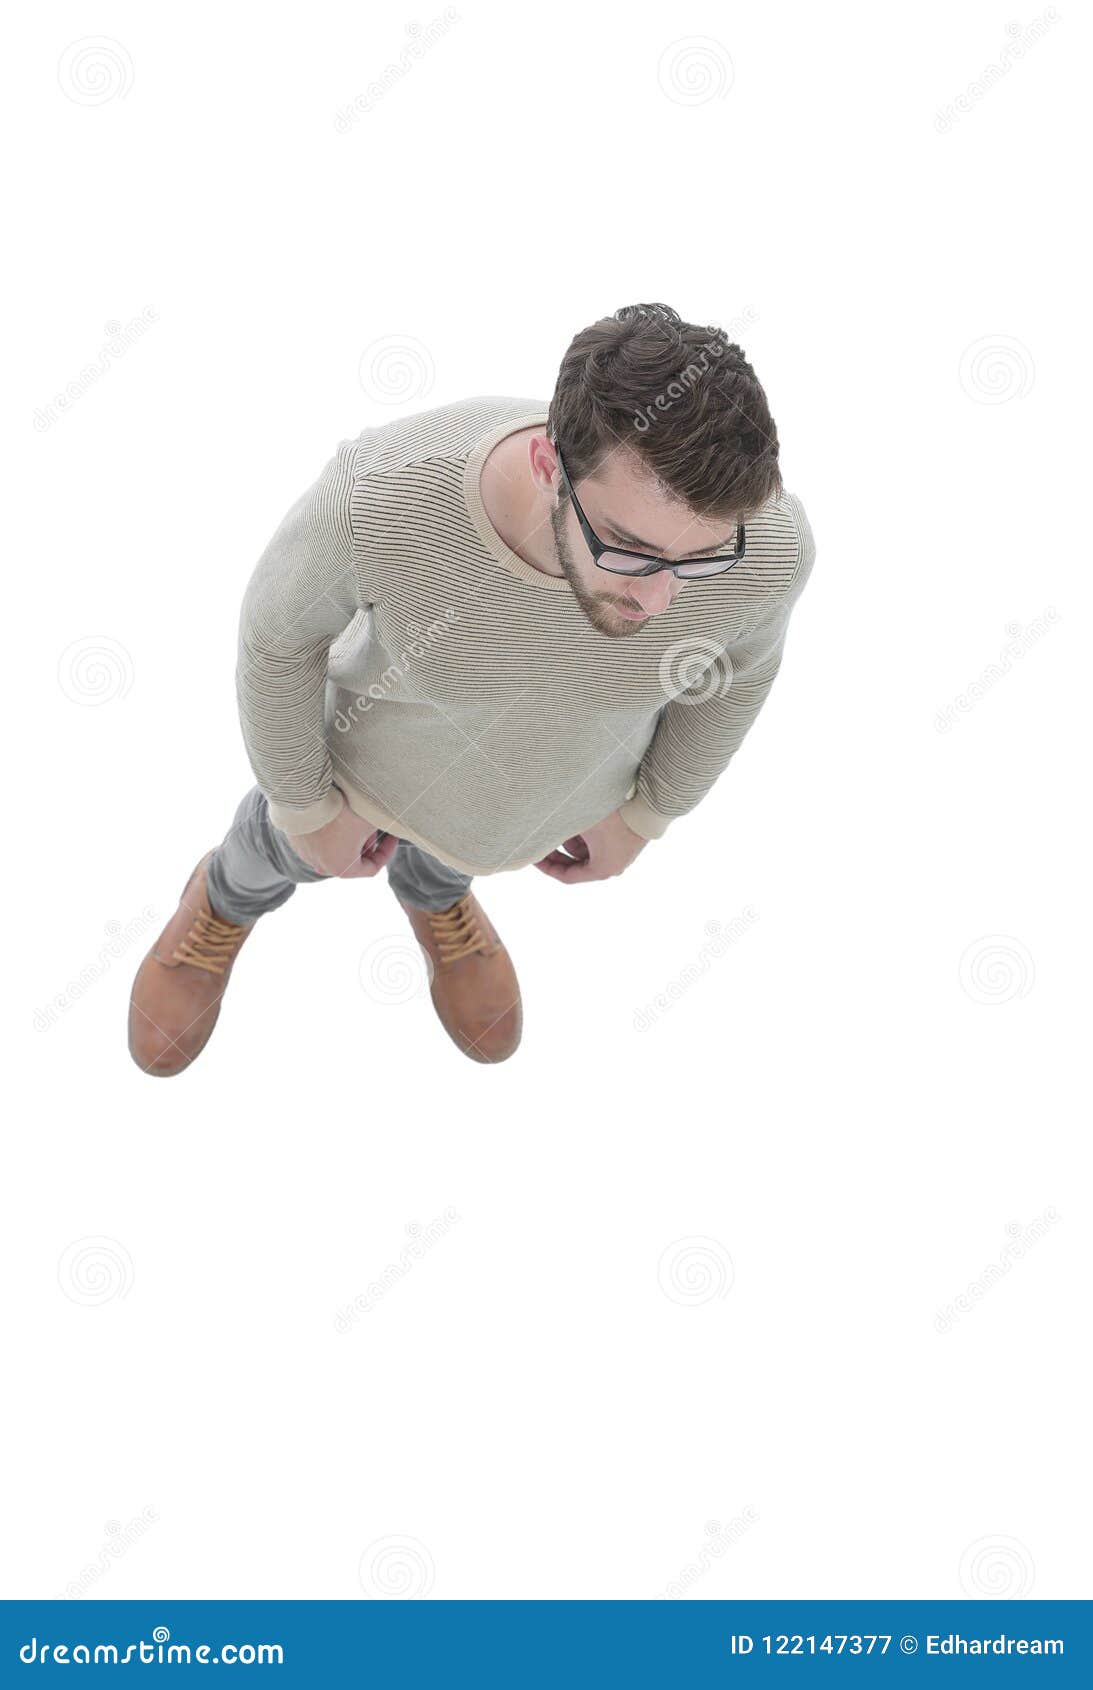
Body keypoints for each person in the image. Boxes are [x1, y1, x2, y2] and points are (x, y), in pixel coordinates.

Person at [128, 303, 816, 1074]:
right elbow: (277, 643)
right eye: (628, 548)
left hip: (536, 794)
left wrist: (651, 811)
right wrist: (303, 808)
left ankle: (436, 893)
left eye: (701, 559)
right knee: (272, 849)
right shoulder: (380, 497)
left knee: (453, 850)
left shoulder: (770, 546)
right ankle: (224, 900)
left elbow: (737, 680)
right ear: (549, 466)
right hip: (361, 779)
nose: (659, 601)